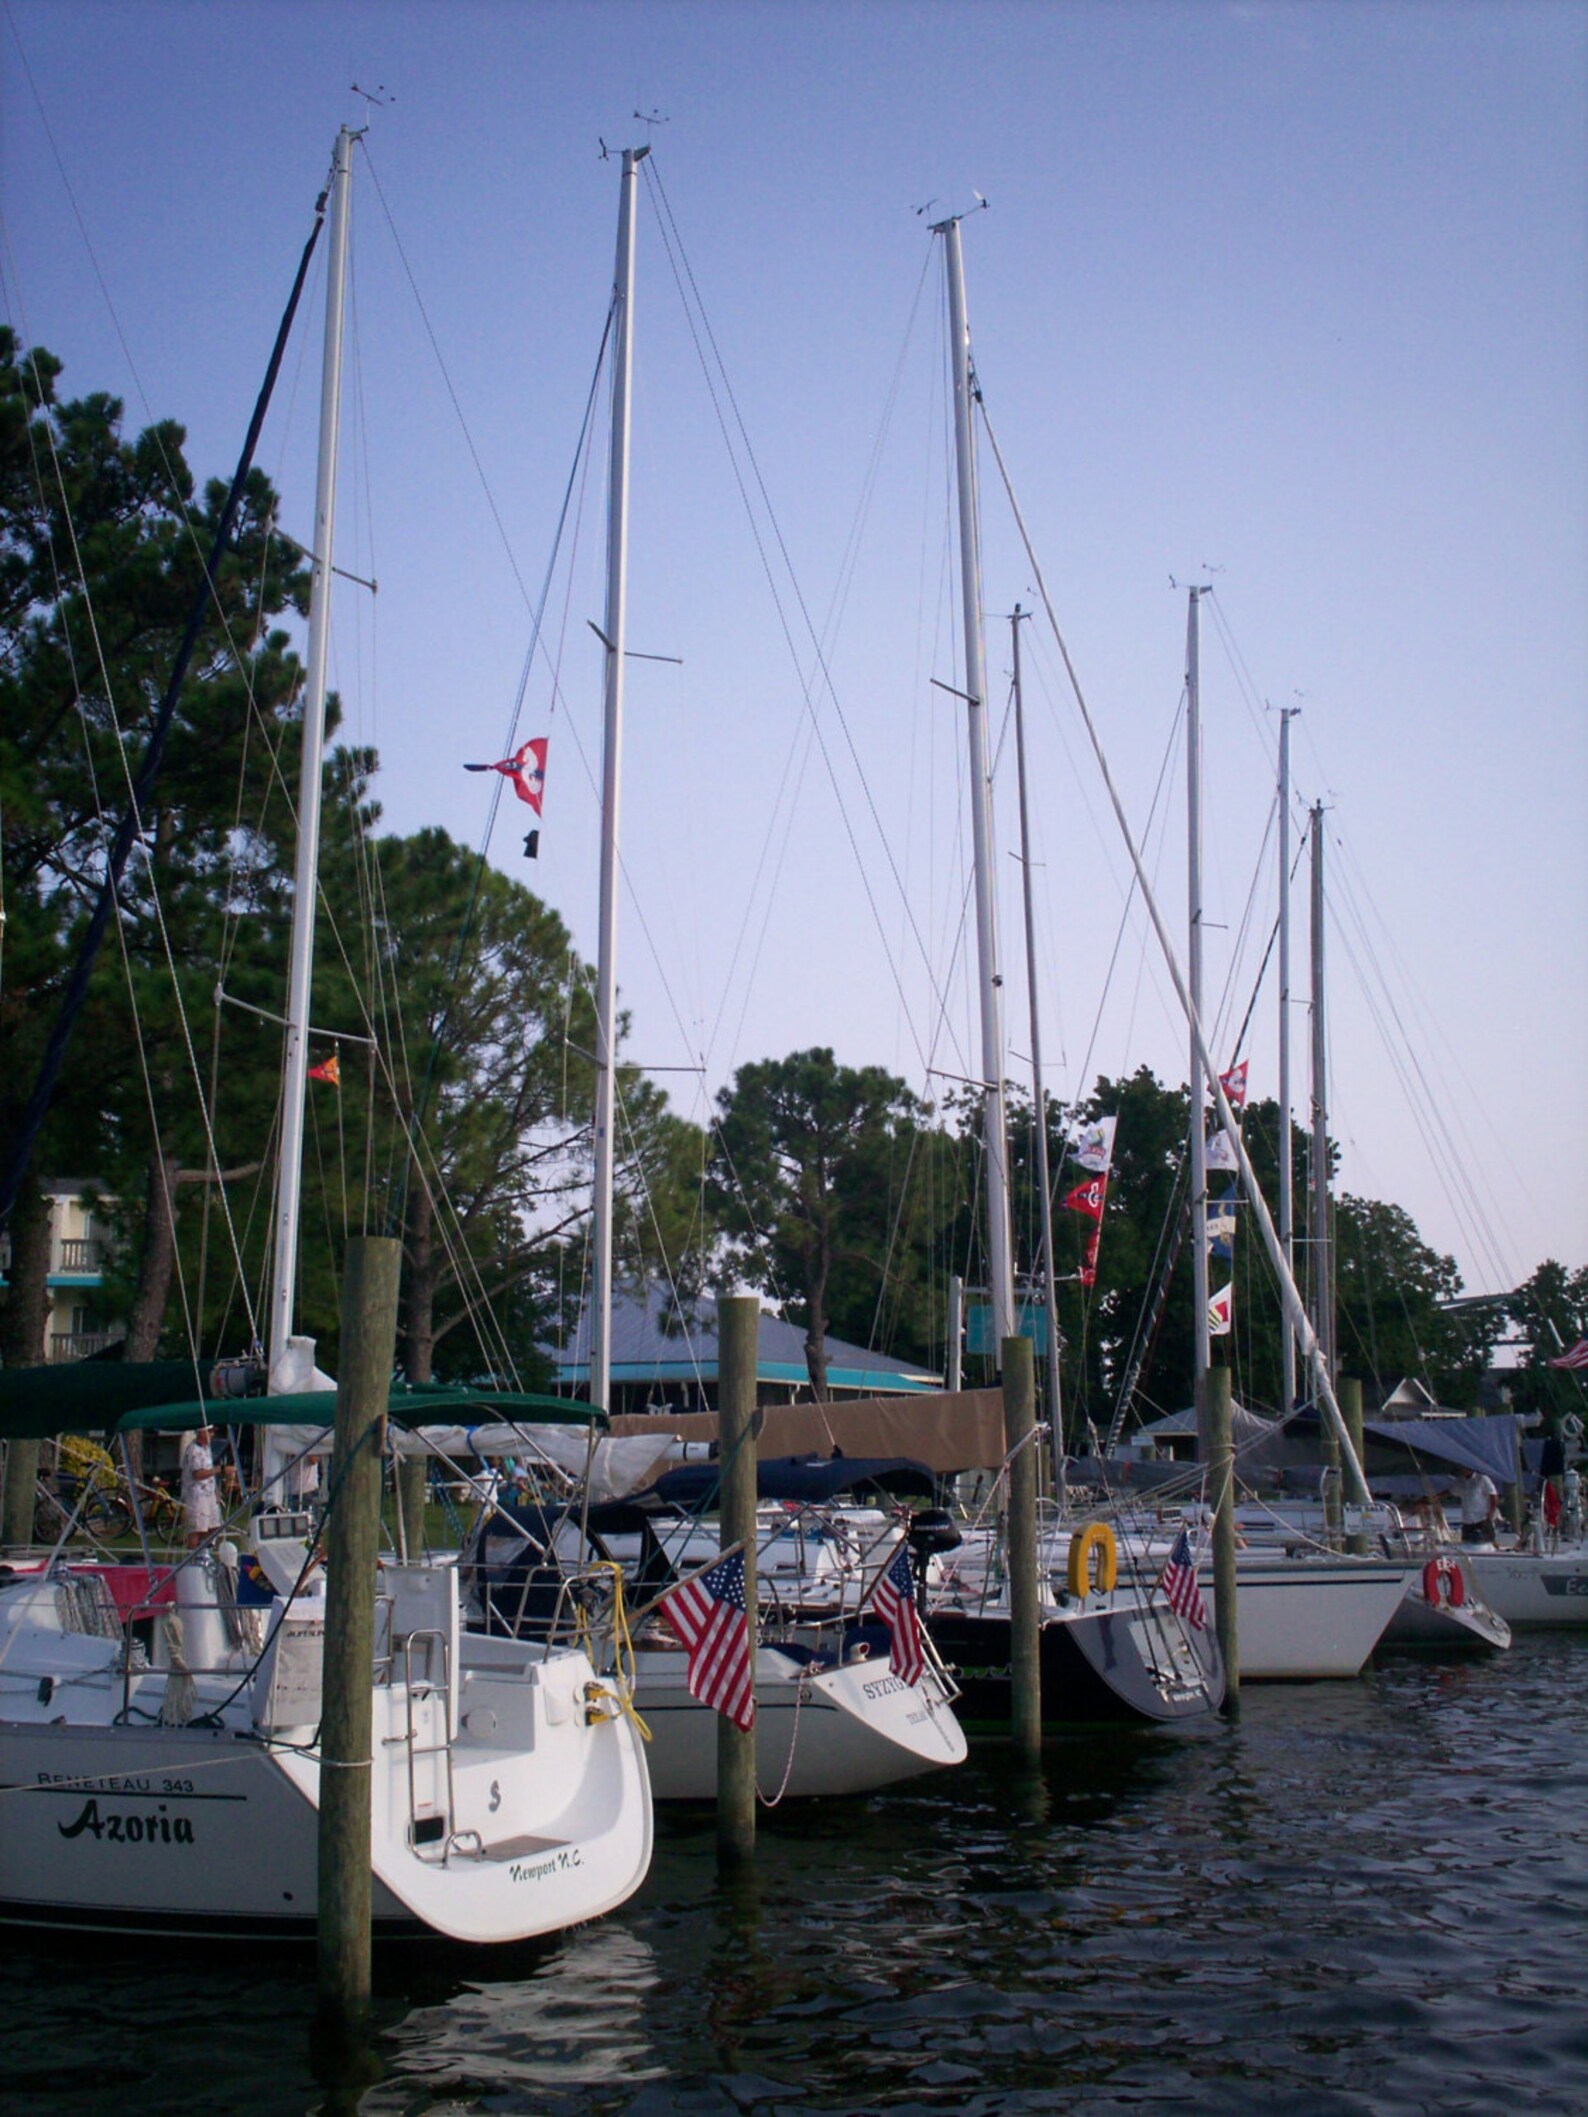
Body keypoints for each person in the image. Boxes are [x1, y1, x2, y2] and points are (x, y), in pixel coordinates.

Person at [180, 1423, 223, 1548]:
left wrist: (216, 1490)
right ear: (201, 1432)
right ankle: (192, 1556)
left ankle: (205, 1551)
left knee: (214, 1525)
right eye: (210, 1431)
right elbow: (197, 1474)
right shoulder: (193, 1450)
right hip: (197, 1494)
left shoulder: (206, 1448)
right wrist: (219, 1470)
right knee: (197, 1528)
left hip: (209, 1493)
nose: (212, 1434)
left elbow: (208, 1471)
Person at [1459, 1466, 1500, 1546]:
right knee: (1466, 1544)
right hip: (1467, 1520)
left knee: (1487, 1544)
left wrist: (1490, 1513)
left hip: (1482, 1519)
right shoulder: (1460, 1481)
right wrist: (1435, 1497)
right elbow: (1451, 1491)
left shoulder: (1482, 1479)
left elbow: (1493, 1496)